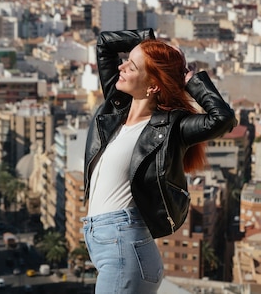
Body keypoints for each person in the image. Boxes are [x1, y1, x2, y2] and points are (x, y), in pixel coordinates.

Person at [82, 29, 237, 293]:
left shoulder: (170, 128)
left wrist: (191, 79)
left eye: (131, 67)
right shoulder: (116, 109)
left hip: (125, 249)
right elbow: (105, 43)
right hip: (108, 245)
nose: (121, 67)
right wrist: (149, 40)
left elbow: (222, 119)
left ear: (152, 86)